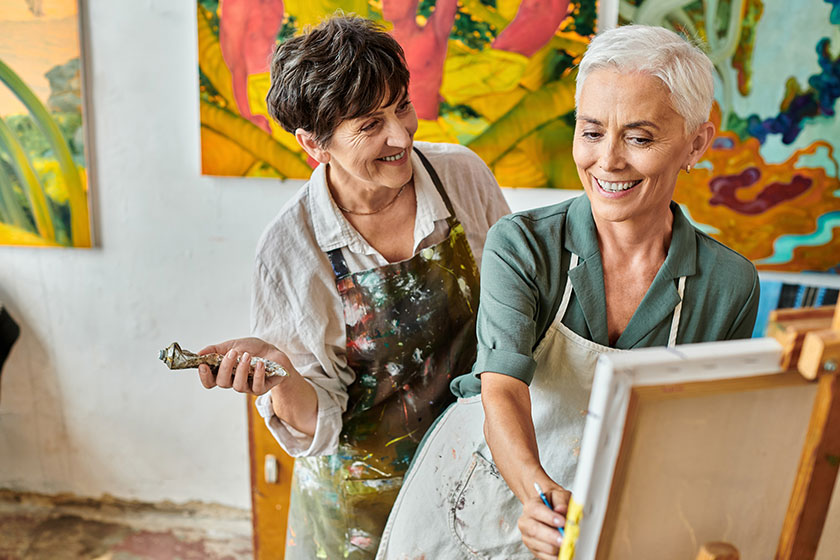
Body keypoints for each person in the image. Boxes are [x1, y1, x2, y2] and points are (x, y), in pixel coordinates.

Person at [376, 24, 759, 560]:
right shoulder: (524, 245)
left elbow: (701, 434)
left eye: (640, 137)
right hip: (481, 493)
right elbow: (502, 388)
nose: (608, 161)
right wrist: (538, 494)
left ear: (695, 142)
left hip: (610, 516)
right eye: (592, 131)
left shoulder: (728, 285)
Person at [194, 14, 510, 560]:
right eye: (369, 124)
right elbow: (320, 423)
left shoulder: (462, 177)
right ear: (315, 145)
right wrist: (281, 376)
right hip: (361, 513)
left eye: (401, 106)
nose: (400, 135)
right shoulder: (291, 248)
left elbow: (515, 311)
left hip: (475, 474)